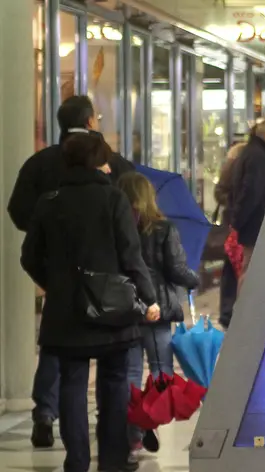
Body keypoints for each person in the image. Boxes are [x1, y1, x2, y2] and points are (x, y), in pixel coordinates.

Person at [20, 133, 159, 472]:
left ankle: (77, 460)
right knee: (113, 383)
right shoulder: (113, 199)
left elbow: (29, 257)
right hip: (112, 309)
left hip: (64, 311)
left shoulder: (48, 201)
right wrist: (148, 295)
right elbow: (131, 254)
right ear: (99, 163)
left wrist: (54, 284)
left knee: (71, 382)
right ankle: (112, 460)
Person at [7, 95, 136, 448]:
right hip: (108, 280)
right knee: (114, 365)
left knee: (60, 350)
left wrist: (46, 247)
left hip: (61, 273)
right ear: (91, 122)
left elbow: (17, 209)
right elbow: (133, 213)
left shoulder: (41, 163)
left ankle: (45, 414)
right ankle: (113, 439)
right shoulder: (112, 163)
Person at [117, 172, 200, 459]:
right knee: (160, 369)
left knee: (128, 372)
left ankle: (132, 432)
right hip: (157, 309)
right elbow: (176, 270)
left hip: (126, 309)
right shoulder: (164, 228)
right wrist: (194, 279)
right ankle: (149, 417)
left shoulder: (116, 228)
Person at [230, 117, 265, 283]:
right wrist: (238, 221)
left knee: (250, 269)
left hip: (251, 225)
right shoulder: (258, 157)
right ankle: (244, 308)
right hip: (255, 225)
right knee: (251, 271)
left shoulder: (253, 152)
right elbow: (251, 192)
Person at [214, 142, 246, 329]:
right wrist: (235, 203)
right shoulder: (233, 166)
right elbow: (219, 192)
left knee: (235, 269)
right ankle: (227, 312)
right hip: (233, 227)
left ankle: (230, 312)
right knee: (231, 268)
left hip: (239, 225)